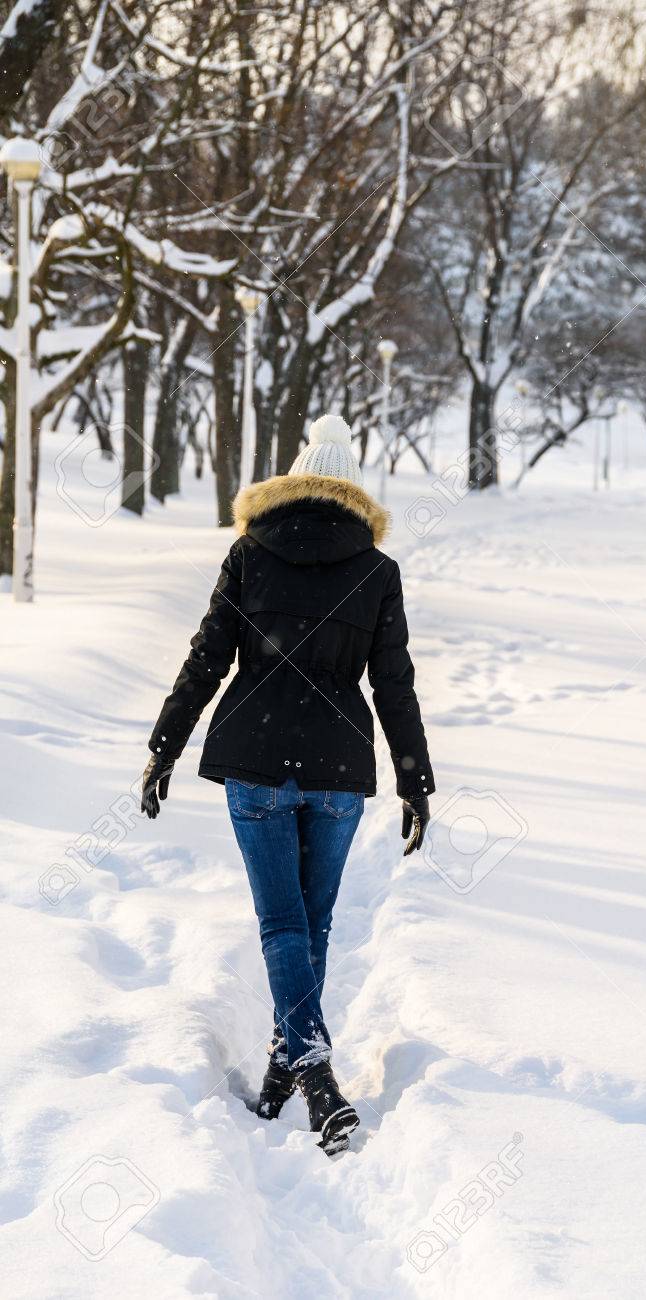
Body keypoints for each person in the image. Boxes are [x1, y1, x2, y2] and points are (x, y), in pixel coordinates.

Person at [140, 413, 434, 1154]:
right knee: (312, 923)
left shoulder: (249, 553)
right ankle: (295, 1069)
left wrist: (164, 746)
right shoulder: (376, 570)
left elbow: (206, 658)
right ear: (352, 492)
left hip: (257, 763)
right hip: (336, 768)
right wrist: (413, 780)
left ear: (293, 480)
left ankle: (303, 1068)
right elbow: (392, 685)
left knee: (282, 925)